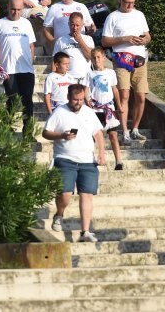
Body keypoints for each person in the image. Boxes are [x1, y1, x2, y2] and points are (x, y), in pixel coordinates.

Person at [42, 83, 107, 243]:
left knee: (87, 195)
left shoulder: (89, 112)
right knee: (65, 194)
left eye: (80, 99)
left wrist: (102, 153)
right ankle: (59, 214)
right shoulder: (59, 112)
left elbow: (98, 134)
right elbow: (45, 133)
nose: (78, 102)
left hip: (87, 161)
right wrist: (61, 136)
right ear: (68, 98)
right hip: (65, 159)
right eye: (75, 99)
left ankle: (85, 231)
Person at [101, 0, 151, 142]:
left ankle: (135, 129)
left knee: (141, 96)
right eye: (126, 2)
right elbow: (104, 41)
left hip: (139, 60)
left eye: (132, 2)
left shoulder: (139, 15)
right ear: (120, 0)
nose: (129, 5)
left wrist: (144, 40)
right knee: (124, 95)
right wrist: (124, 38)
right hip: (122, 59)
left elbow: (148, 35)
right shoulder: (113, 17)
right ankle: (125, 131)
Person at [0, 0, 36, 120]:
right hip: (8, 70)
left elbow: (32, 46)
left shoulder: (26, 23)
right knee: (13, 99)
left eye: (19, 10)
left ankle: (28, 134)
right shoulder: (0, 23)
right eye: (13, 9)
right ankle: (7, 128)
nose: (16, 12)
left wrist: (30, 62)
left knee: (27, 102)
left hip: (27, 70)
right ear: (8, 8)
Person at [88, 46, 123, 170]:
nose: (96, 60)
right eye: (94, 58)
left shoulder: (110, 72)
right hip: (96, 109)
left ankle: (118, 161)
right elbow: (86, 90)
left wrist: (119, 105)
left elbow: (114, 89)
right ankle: (92, 159)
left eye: (98, 57)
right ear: (91, 60)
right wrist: (87, 101)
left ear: (104, 57)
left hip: (109, 108)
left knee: (113, 135)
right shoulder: (89, 74)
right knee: (95, 136)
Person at [53, 12, 94, 86]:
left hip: (86, 79)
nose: (75, 28)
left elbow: (91, 56)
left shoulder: (88, 39)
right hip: (67, 79)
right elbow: (54, 62)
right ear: (68, 24)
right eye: (72, 25)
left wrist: (80, 40)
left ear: (82, 25)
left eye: (77, 25)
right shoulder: (60, 40)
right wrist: (54, 79)